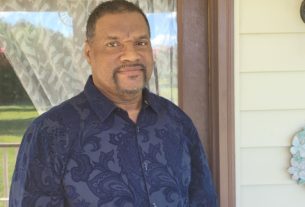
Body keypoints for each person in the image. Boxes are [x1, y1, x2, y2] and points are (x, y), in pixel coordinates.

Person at [9, 1, 218, 206]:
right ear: (89, 53)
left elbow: (204, 200)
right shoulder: (50, 133)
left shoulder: (177, 122)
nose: (131, 55)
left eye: (141, 43)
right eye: (113, 44)